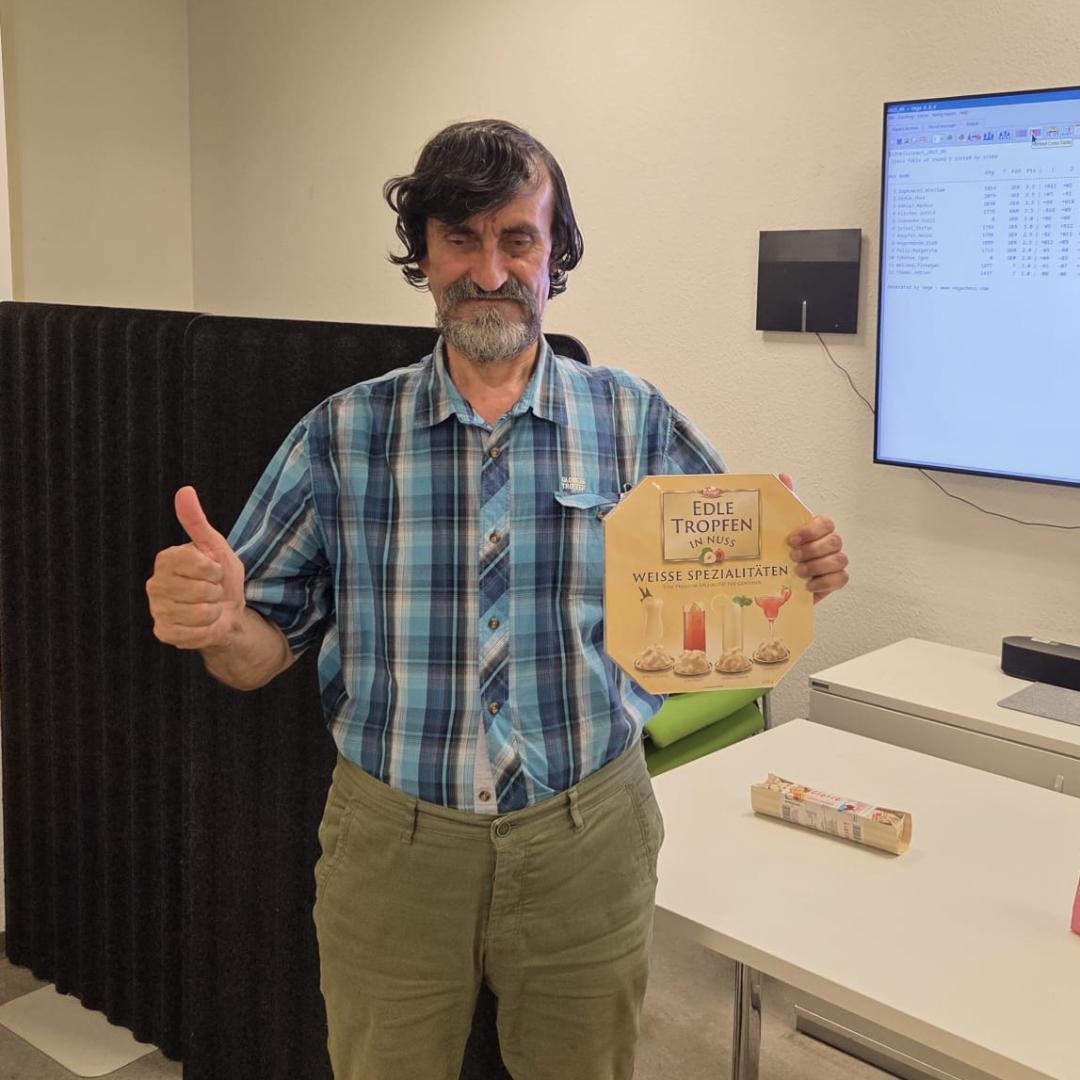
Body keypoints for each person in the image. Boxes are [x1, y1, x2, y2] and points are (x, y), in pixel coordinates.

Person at [145, 119, 849, 1080]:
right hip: (392, 849)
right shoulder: (341, 435)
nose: (489, 270)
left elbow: (734, 592)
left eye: (517, 238)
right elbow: (254, 657)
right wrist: (222, 623)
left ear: (555, 254)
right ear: (425, 257)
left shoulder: (632, 421)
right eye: (460, 239)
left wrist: (797, 568)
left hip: (589, 841)